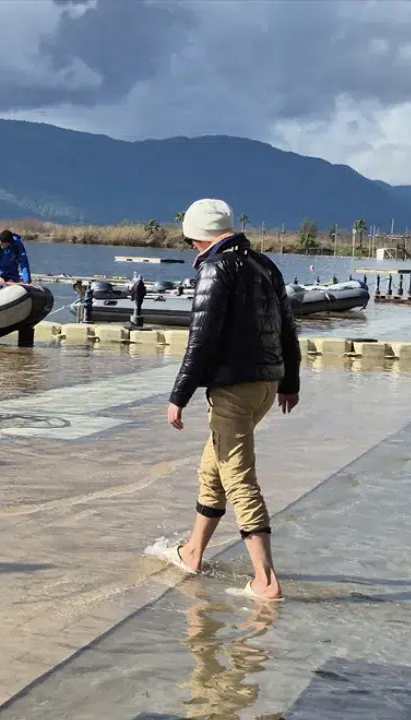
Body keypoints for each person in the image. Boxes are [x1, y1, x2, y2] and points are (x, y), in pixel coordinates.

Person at [157, 198, 301, 601]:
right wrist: (291, 381)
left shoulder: (215, 269)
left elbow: (200, 341)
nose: (191, 249)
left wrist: (178, 396)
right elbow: (288, 329)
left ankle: (266, 580)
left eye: (190, 242)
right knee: (213, 469)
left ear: (199, 239)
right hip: (266, 387)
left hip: (234, 390)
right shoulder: (264, 265)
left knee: (238, 478)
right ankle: (193, 553)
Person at [0, 229, 31, 294]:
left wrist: (27, 281)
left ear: (9, 243)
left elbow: (24, 264)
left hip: (12, 275)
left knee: (16, 285)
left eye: (2, 242)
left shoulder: (18, 246)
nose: (0, 243)